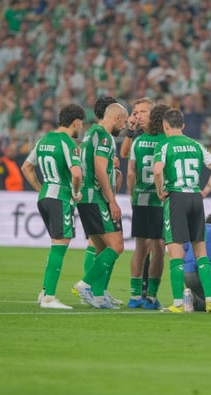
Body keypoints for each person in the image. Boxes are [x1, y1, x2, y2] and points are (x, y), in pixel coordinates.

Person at [153, 108, 211, 313]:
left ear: (165, 126)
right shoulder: (196, 145)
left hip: (176, 197)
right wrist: (206, 190)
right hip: (195, 197)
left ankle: (178, 304)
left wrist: (160, 191)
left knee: (176, 253)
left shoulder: (164, 145)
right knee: (201, 251)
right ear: (182, 125)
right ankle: (210, 300)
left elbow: (157, 171)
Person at [21, 103, 84, 309]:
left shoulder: (43, 139)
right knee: (60, 245)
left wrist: (41, 188)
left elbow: (26, 167)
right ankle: (49, 298)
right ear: (75, 122)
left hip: (45, 197)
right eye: (81, 124)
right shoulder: (68, 143)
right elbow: (76, 174)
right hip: (61, 198)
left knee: (56, 244)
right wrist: (76, 193)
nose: (81, 128)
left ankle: (45, 290)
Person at [72, 103, 129, 309]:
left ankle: (98, 295)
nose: (123, 127)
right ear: (116, 118)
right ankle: (85, 284)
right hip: (95, 197)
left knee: (101, 248)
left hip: (85, 198)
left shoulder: (90, 134)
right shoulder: (104, 137)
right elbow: (99, 169)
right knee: (117, 246)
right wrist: (112, 200)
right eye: (123, 122)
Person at [126, 103, 169, 310]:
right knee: (159, 247)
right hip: (160, 199)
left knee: (140, 248)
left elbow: (131, 172)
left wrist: (131, 194)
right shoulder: (166, 141)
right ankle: (151, 296)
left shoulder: (138, 141)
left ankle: (135, 296)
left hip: (140, 198)